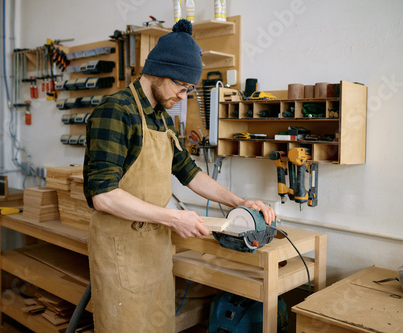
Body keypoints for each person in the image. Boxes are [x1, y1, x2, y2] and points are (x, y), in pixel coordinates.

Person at [83, 19, 276, 333]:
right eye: (182, 87)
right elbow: (103, 195)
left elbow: (190, 173)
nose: (184, 97)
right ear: (159, 73)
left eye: (189, 89)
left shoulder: (162, 119)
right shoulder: (115, 112)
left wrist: (239, 202)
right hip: (121, 248)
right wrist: (173, 218)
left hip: (155, 246)